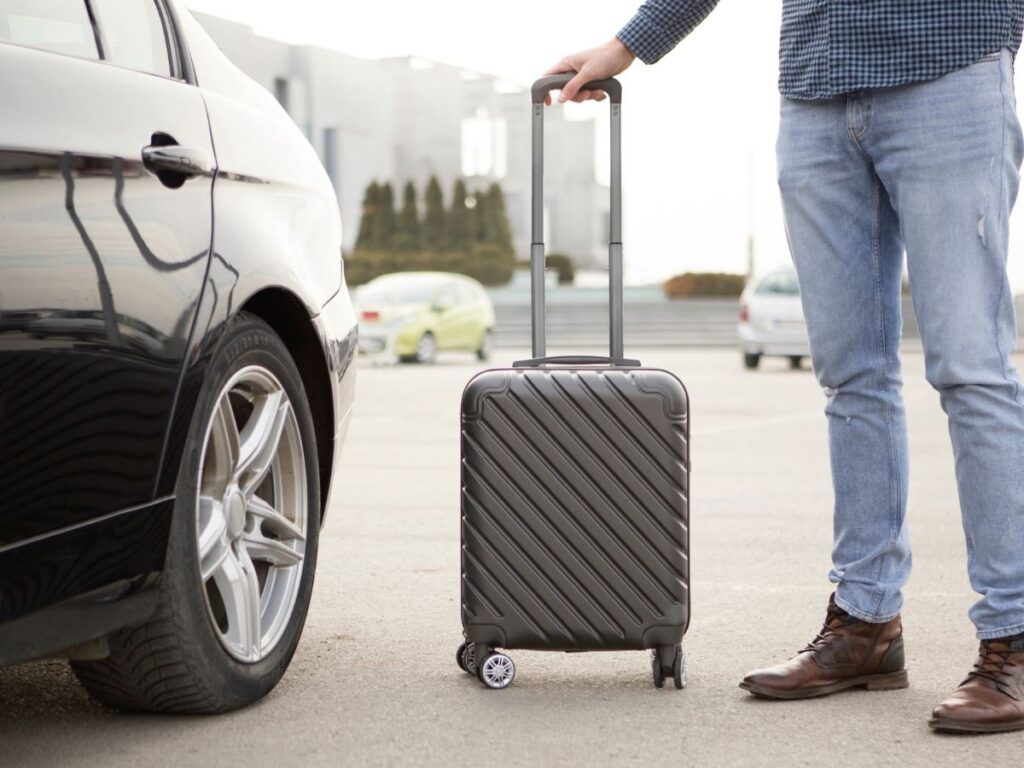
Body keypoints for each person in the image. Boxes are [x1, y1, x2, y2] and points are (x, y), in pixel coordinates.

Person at [546, 0, 1024, 734]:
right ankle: (867, 626)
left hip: (948, 66)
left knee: (971, 370)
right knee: (852, 378)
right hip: (816, 91)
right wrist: (629, 45)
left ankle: (1013, 642)